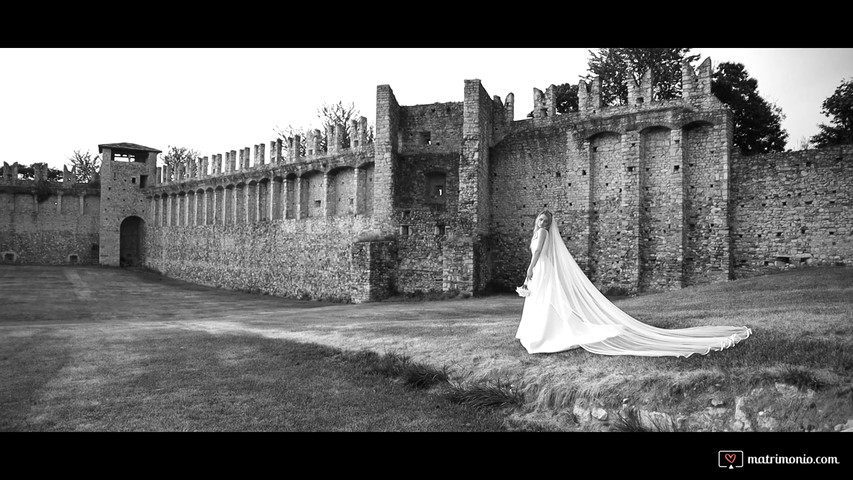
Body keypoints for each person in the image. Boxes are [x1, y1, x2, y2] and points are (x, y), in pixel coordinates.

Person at [515, 209, 751, 356]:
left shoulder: (544, 234)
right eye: (540, 219)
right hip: (542, 269)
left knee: (546, 301)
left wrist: (529, 269)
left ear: (548, 224)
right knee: (542, 301)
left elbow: (537, 255)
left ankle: (545, 335)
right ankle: (536, 333)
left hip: (540, 268)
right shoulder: (536, 233)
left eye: (545, 220)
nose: (542, 222)